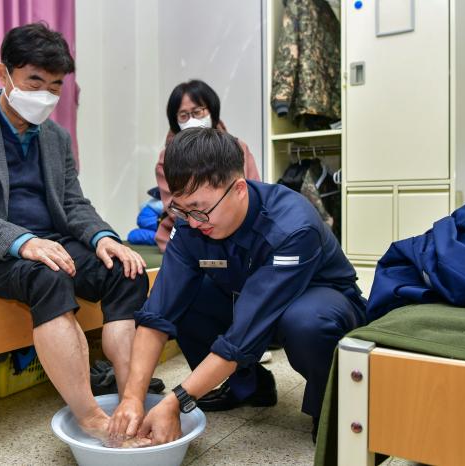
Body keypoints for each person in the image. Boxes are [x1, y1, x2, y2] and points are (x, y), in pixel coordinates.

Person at [0, 23, 150, 443]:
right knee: (47, 275)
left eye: (54, 87)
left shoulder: (56, 136)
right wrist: (24, 242)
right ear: (4, 75)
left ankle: (132, 396)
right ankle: (90, 415)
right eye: (34, 82)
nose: (45, 96)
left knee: (124, 268)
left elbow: (73, 203)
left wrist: (103, 238)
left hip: (48, 240)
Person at [108, 128, 367, 445]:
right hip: (246, 300)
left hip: (320, 302)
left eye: (200, 208)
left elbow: (245, 333)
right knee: (189, 299)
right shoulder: (192, 222)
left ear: (239, 189)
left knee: (306, 321)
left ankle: (333, 408)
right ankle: (249, 386)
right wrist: (133, 397)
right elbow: (157, 313)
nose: (193, 221)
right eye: (182, 209)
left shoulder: (292, 225)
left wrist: (176, 402)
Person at [155, 79, 261, 252]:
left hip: (239, 229)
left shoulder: (238, 147)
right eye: (183, 115)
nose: (191, 120)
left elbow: (253, 188)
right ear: (175, 121)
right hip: (190, 235)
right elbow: (175, 208)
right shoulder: (167, 157)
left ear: (211, 111)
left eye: (197, 112)